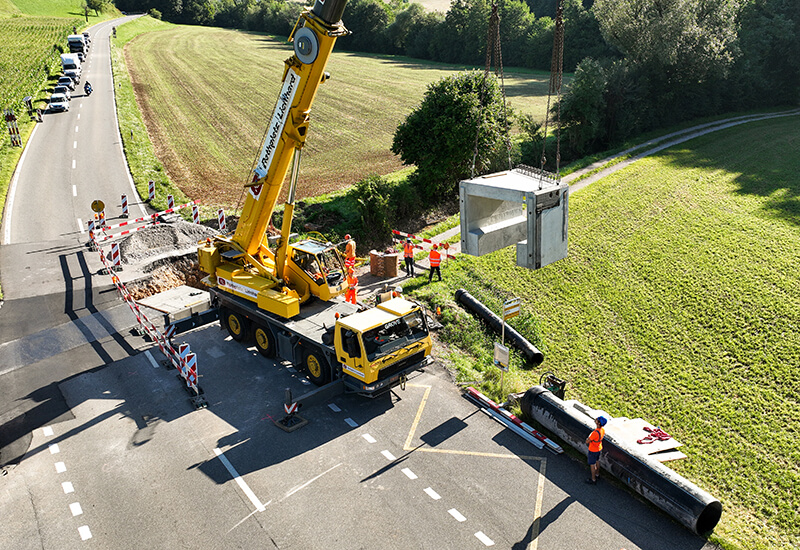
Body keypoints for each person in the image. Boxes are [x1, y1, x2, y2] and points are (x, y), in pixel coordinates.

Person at [585, 416, 607, 484]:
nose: (596, 419)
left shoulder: (595, 433)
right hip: (599, 448)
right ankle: (597, 474)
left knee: (592, 464)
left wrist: (588, 437)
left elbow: (587, 441)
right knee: (597, 461)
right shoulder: (602, 430)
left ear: (599, 423)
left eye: (597, 420)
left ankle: (593, 479)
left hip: (592, 450)